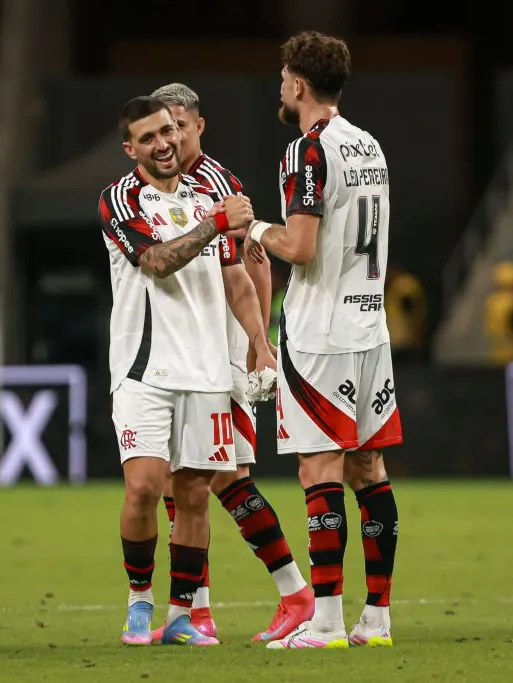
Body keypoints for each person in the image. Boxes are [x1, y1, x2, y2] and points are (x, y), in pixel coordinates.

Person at [241, 31, 402, 649]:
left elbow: (301, 247)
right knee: (370, 467)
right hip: (371, 327)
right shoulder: (370, 145)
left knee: (319, 467)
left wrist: (252, 225)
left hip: (321, 333)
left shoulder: (306, 151)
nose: (279, 88)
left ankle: (328, 620)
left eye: (283, 78)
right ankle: (377, 618)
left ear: (299, 85)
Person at [98, 96, 275, 647]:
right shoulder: (120, 200)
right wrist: (214, 224)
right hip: (144, 369)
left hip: (205, 373)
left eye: (168, 131)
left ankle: (180, 616)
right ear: (131, 148)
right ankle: (138, 601)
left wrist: (259, 341)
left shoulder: (206, 196)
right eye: (148, 137)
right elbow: (154, 262)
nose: (164, 142)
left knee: (195, 496)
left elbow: (235, 280)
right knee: (145, 488)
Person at [150, 82, 314, 642]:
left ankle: (294, 592)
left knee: (222, 478)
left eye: (179, 125)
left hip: (220, 354)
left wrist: (256, 343)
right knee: (180, 485)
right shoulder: (159, 186)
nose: (171, 136)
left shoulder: (213, 184)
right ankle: (196, 611)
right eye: (162, 127)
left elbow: (252, 263)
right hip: (183, 354)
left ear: (199, 126)